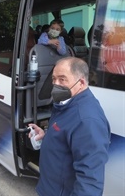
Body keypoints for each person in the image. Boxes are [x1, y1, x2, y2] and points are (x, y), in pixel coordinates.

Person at [28, 57, 111, 196]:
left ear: (81, 83)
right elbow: (67, 135)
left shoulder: (87, 120)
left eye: (62, 79)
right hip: (50, 188)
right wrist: (47, 135)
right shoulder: (67, 103)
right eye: (54, 79)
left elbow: (90, 180)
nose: (55, 84)